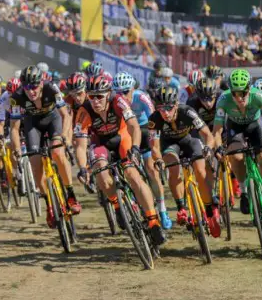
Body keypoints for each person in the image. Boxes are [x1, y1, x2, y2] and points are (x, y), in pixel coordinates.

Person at [74, 74, 166, 246]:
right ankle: (117, 205)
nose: (95, 101)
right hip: (100, 143)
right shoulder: (84, 111)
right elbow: (80, 145)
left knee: (133, 175)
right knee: (101, 172)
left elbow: (134, 126)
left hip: (122, 138)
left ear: (108, 94)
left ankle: (153, 221)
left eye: (99, 96)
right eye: (91, 96)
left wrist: (136, 148)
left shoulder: (118, 101)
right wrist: (82, 167)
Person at [212, 69, 262, 237]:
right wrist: (217, 148)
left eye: (243, 93)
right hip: (235, 128)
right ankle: (244, 190)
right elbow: (216, 131)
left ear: (249, 89)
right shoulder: (223, 100)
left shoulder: (258, 96)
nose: (239, 98)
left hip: (255, 126)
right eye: (235, 93)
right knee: (235, 156)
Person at [8, 65, 81, 229]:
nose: (31, 91)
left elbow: (66, 116)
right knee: (35, 163)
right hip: (32, 124)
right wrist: (17, 149)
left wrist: (66, 138)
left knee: (57, 151)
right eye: (27, 87)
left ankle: (70, 194)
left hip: (53, 119)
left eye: (34, 86)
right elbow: (14, 127)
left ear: (41, 83)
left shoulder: (52, 88)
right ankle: (48, 202)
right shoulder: (17, 97)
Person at [149, 86, 218, 236]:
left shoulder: (187, 112)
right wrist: (159, 160)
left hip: (189, 141)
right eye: (161, 108)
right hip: (170, 145)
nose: (165, 113)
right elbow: (154, 147)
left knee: (200, 171)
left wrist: (208, 147)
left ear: (175, 105)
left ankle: (208, 208)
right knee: (173, 169)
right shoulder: (154, 119)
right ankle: (181, 207)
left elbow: (207, 134)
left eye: (168, 108)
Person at [113, 71, 172, 229]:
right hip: (126, 133)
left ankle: (163, 210)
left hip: (145, 129)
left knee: (151, 170)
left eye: (125, 92)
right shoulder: (115, 102)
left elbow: (154, 118)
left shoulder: (141, 97)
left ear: (132, 89)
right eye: (118, 92)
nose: (122, 96)